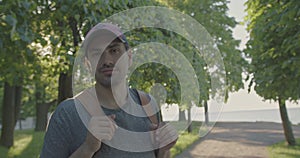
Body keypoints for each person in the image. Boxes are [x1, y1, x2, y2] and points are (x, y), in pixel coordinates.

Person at [40, 23, 178, 158]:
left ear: (129, 57)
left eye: (114, 50)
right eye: (97, 53)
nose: (107, 60)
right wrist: (87, 148)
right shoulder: (67, 114)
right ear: (88, 64)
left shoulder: (147, 105)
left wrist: (164, 149)